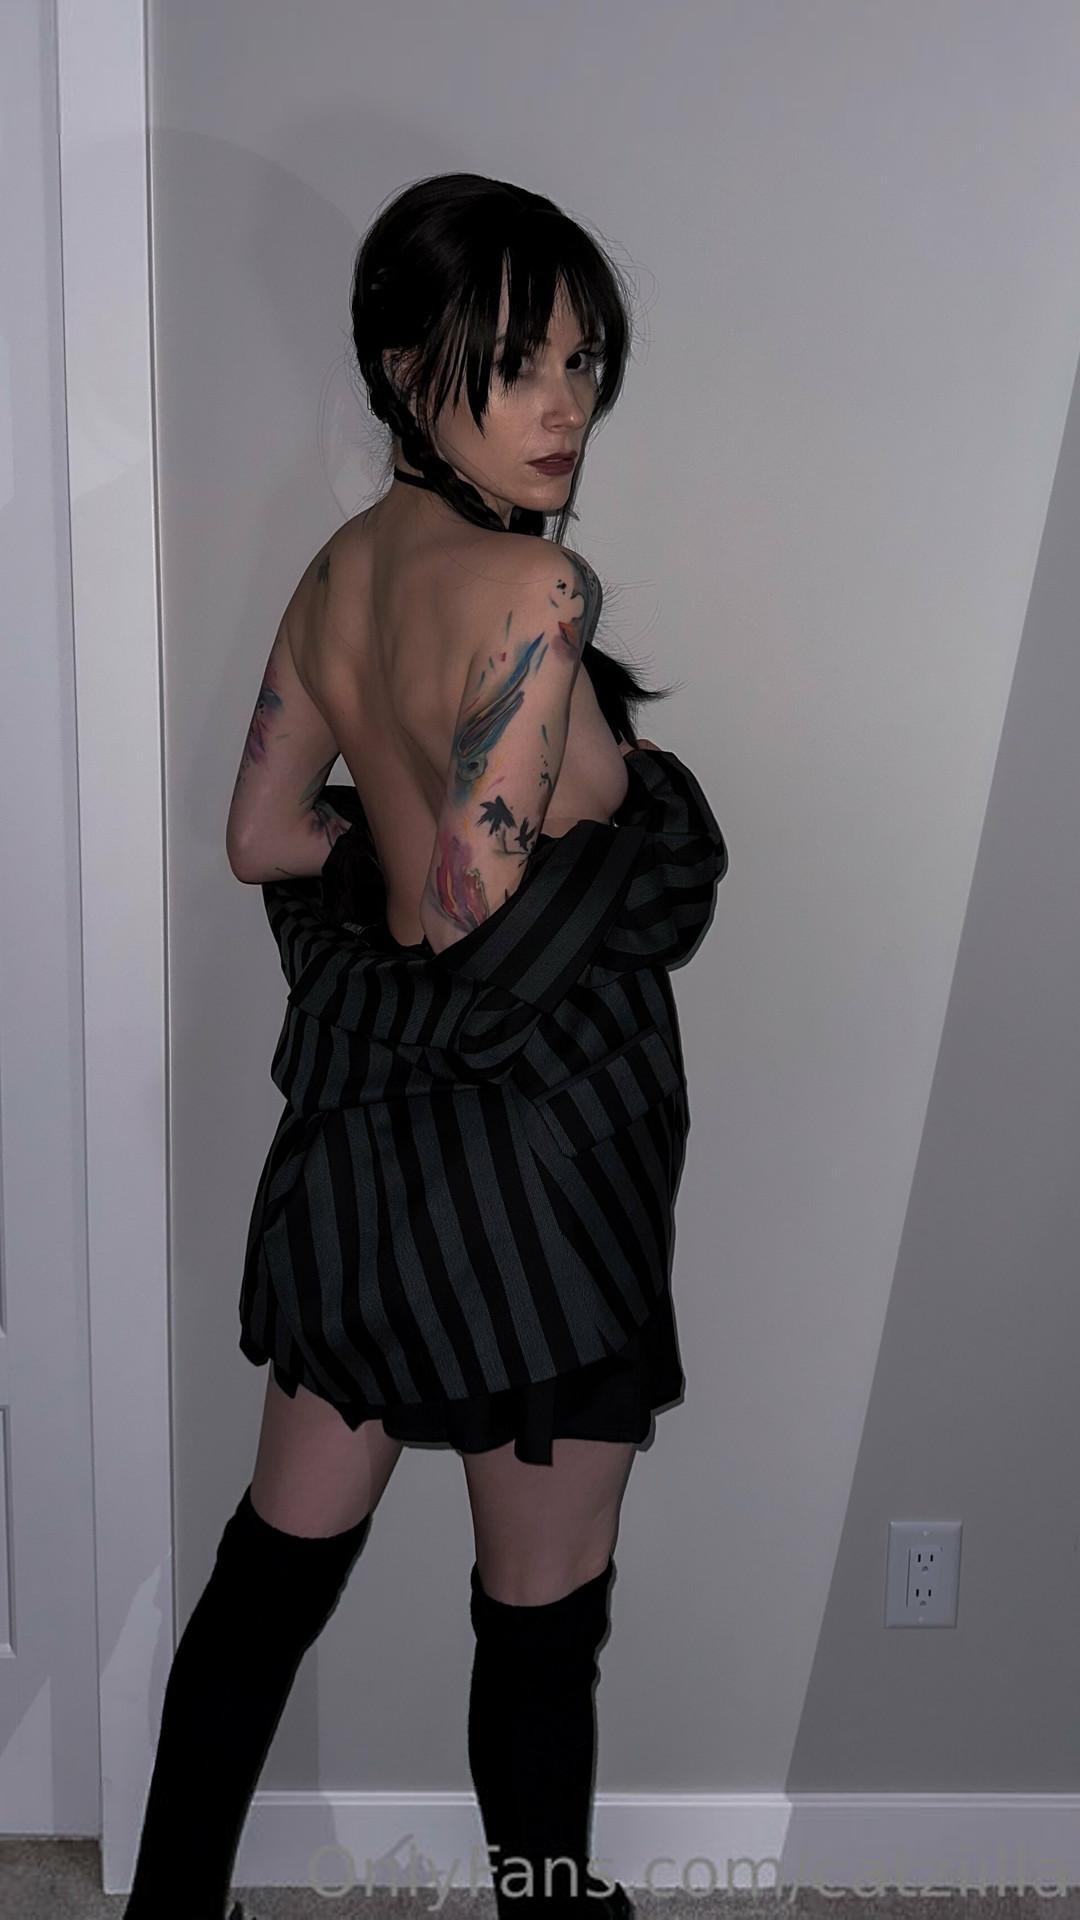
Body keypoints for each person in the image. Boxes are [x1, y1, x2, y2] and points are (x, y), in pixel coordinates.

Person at [124, 172, 727, 1920]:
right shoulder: (534, 587)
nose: (565, 406)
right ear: (405, 368)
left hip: (367, 1137)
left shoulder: (338, 573)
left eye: (583, 362)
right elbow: (477, 911)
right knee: (538, 1621)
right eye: (519, 362)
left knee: (270, 1576)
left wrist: (390, 850)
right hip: (539, 1165)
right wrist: (609, 810)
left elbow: (259, 837)